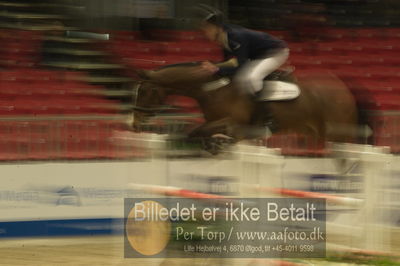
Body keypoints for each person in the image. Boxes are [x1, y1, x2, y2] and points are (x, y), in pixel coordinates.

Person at [193, 4, 289, 98]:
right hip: (258, 55)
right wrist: (215, 67)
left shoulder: (236, 36)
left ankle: (264, 111)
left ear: (217, 28)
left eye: (207, 28)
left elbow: (240, 65)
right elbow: (230, 62)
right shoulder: (223, 37)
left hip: (275, 52)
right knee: (238, 78)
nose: (205, 33)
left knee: (250, 79)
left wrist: (217, 69)